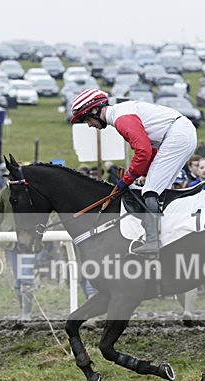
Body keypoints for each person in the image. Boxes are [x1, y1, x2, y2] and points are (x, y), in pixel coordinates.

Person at [70, 88, 197, 256]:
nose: (89, 125)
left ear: (95, 110)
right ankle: (166, 232)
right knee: (157, 189)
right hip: (180, 133)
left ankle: (153, 241)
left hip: (177, 134)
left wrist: (127, 178)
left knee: (150, 190)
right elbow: (149, 152)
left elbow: (143, 152)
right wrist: (139, 173)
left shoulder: (122, 118)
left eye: (87, 119)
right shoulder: (121, 114)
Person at [0, 184, 38, 320]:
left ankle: (26, 314)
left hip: (29, 240)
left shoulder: (33, 191)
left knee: (26, 277)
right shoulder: (4, 193)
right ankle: (23, 308)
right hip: (11, 242)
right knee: (19, 279)